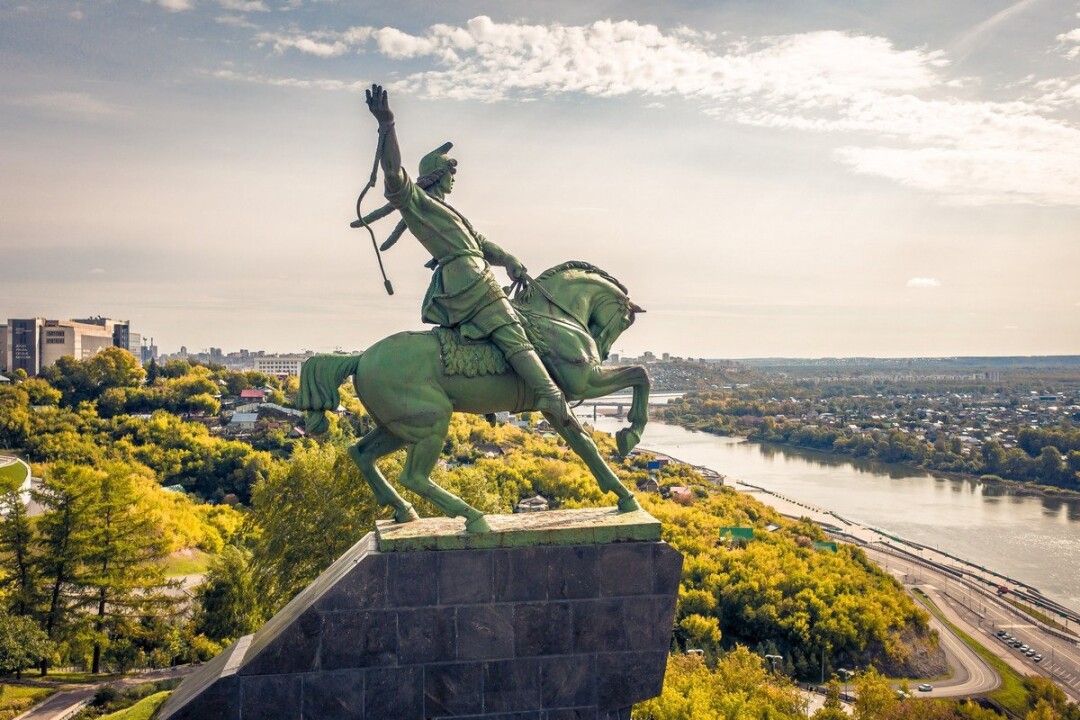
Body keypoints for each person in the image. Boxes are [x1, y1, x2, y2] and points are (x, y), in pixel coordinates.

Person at [365, 83, 574, 424]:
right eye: (450, 173)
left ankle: (490, 392)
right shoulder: (418, 204)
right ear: (437, 175)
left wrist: (508, 260)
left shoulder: (452, 213)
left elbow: (481, 242)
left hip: (474, 273)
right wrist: (387, 125)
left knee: (519, 320)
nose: (453, 180)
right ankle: (547, 393)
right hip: (464, 279)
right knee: (510, 326)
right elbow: (392, 174)